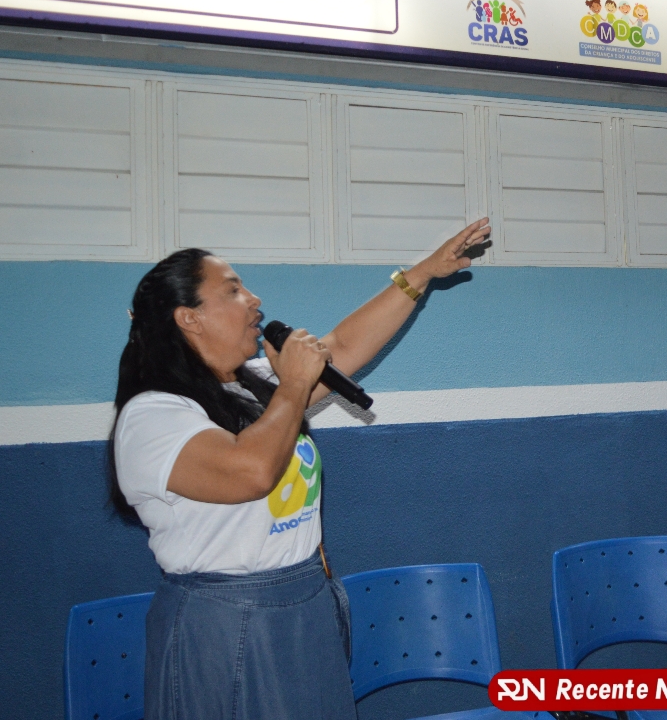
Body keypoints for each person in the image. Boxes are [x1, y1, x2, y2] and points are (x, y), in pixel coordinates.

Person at [109, 218, 490, 720]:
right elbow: (250, 474)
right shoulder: (153, 415)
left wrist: (421, 274)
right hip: (225, 625)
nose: (254, 299)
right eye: (233, 290)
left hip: (305, 604)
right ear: (189, 318)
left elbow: (344, 347)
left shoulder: (249, 388)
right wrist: (292, 384)